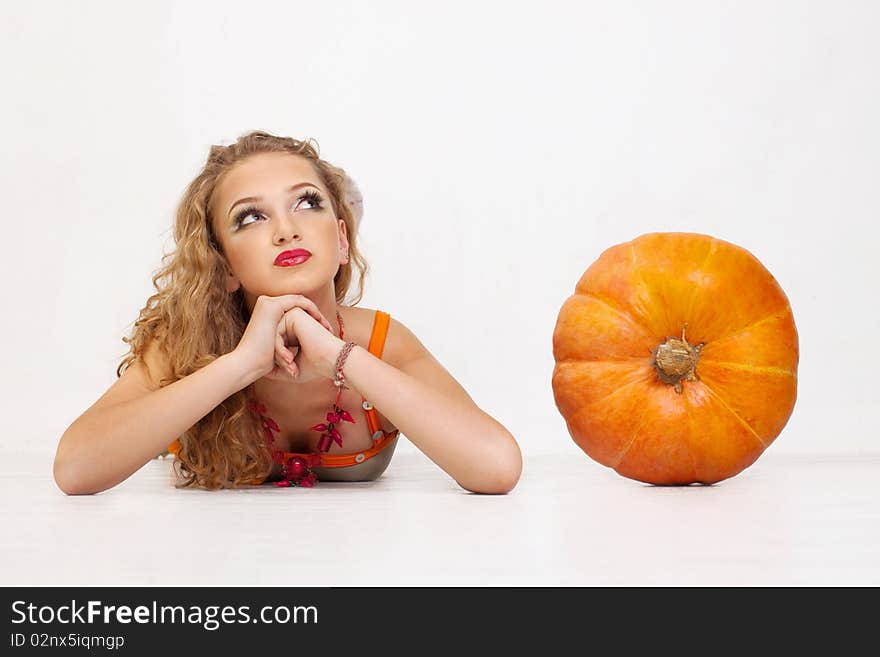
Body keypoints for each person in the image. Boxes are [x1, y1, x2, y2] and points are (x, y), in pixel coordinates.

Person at [53, 130, 522, 495]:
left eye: (307, 202)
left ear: (341, 240)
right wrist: (241, 365)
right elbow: (75, 470)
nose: (286, 229)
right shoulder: (185, 346)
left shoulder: (384, 342)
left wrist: (340, 358)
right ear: (225, 265)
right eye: (251, 217)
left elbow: (497, 467)